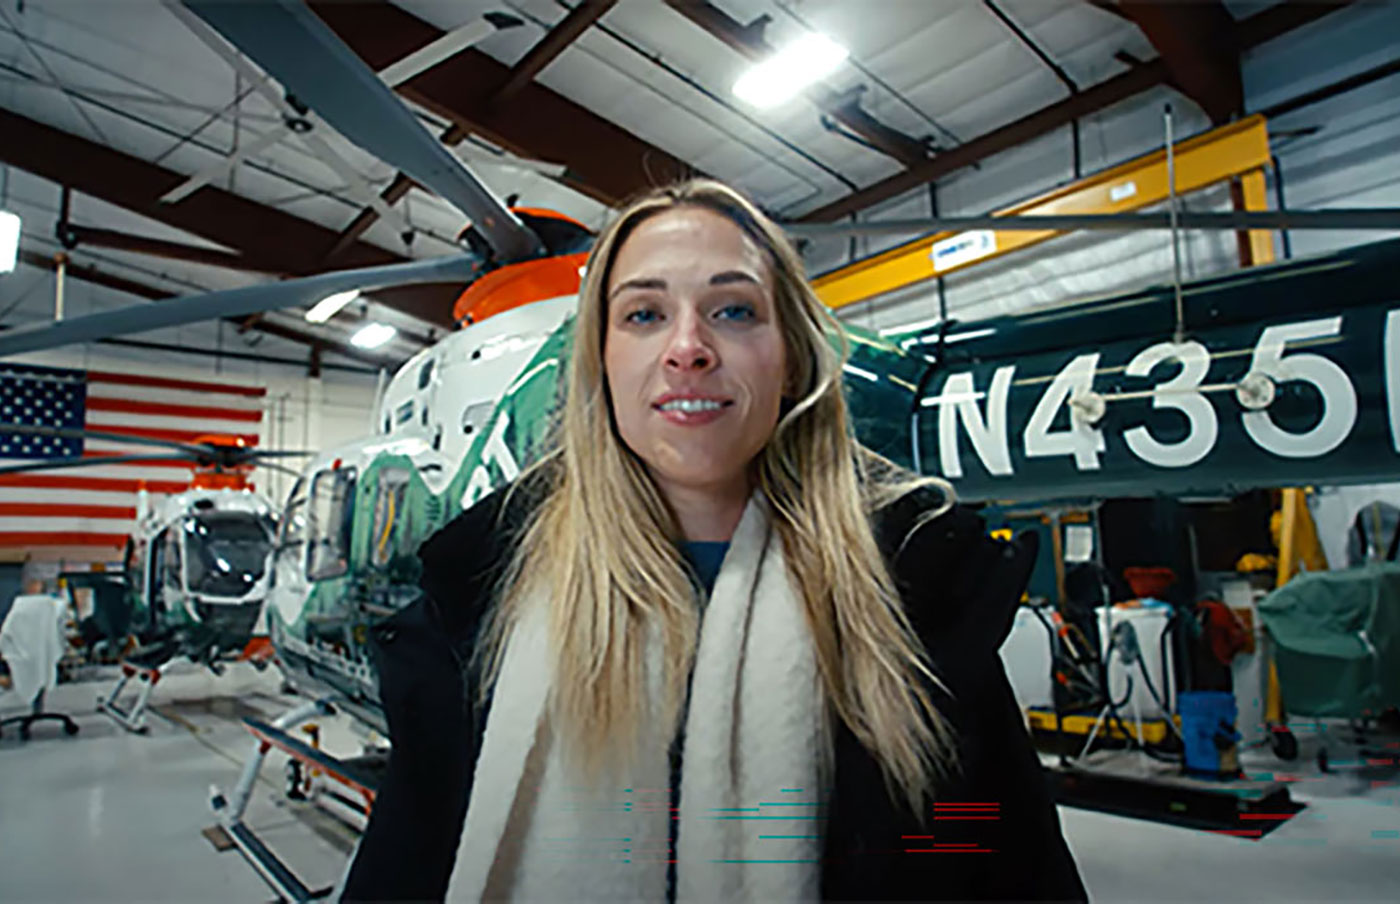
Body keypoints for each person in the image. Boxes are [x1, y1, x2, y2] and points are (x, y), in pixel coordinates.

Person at [341, 180, 1085, 902]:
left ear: (791, 358)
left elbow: (987, 852)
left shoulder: (919, 602)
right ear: (598, 361)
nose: (688, 348)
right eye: (643, 316)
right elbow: (411, 863)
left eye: (733, 310)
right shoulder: (470, 618)